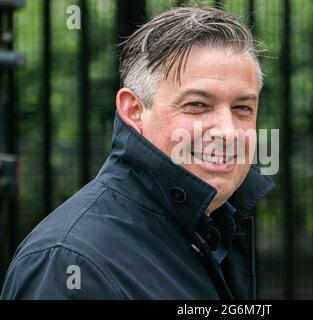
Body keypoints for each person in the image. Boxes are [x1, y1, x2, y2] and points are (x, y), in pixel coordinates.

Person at [1, 6, 275, 299]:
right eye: (197, 105)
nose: (228, 132)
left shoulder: (217, 232)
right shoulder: (67, 262)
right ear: (134, 111)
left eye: (242, 108)